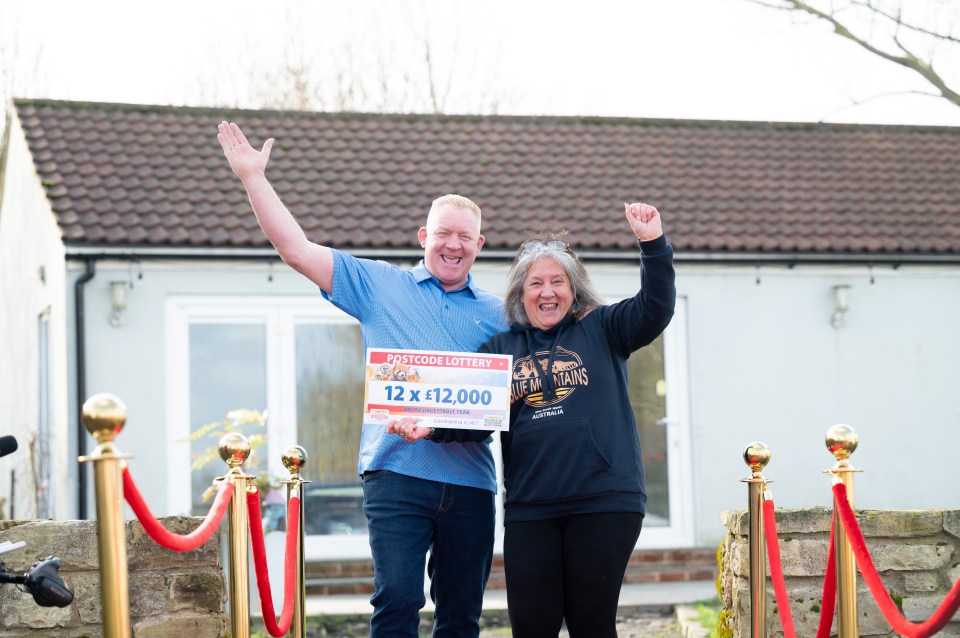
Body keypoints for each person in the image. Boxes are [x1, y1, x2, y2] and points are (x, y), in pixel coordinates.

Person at [217, 121, 509, 638]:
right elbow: (297, 250)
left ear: (479, 244)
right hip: (396, 474)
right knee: (396, 600)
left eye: (465, 236)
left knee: (461, 616)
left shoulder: (499, 314)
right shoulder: (378, 285)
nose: (453, 244)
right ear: (424, 237)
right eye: (443, 232)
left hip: (470, 482)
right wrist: (252, 179)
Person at [390, 202, 676, 637]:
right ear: (520, 295)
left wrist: (652, 242)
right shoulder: (502, 348)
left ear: (573, 288)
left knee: (591, 624)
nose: (547, 292)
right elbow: (470, 412)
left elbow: (656, 306)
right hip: (531, 507)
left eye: (557, 282)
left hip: (603, 501)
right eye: (535, 283)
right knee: (532, 626)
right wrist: (430, 425)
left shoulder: (603, 328)